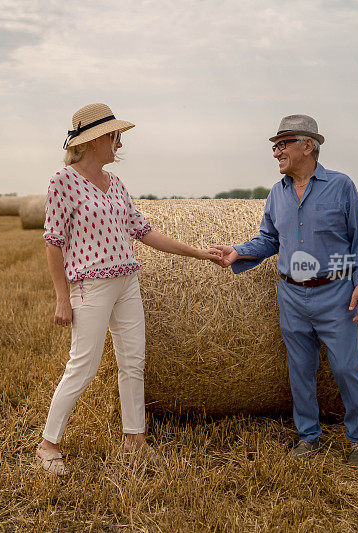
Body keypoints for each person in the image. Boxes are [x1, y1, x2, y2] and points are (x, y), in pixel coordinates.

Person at [36, 103, 222, 475]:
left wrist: (198, 253)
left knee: (133, 361)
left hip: (127, 282)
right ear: (95, 140)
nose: (119, 144)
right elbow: (53, 241)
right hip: (91, 286)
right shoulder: (64, 181)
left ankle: (134, 440)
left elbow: (144, 232)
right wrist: (62, 296)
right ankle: (47, 444)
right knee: (84, 366)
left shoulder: (117, 184)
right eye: (115, 136)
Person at [211, 114, 358, 469]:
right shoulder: (277, 193)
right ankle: (307, 436)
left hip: (335, 293)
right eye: (275, 146)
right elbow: (269, 239)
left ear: (308, 146)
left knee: (347, 368)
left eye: (282, 144)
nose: (276, 152)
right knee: (300, 370)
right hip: (291, 295)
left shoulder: (340, 186)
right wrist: (239, 251)